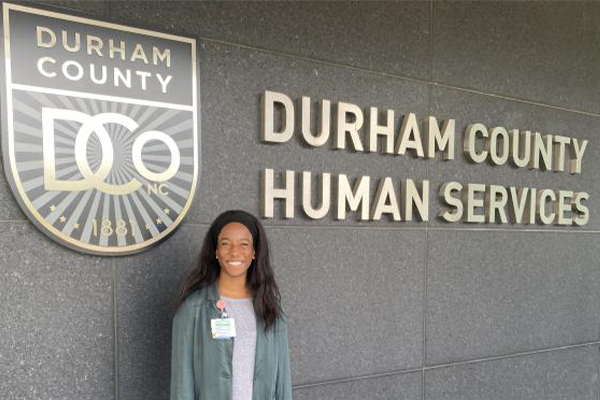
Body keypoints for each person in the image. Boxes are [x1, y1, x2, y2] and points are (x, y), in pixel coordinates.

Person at [170, 210, 292, 400]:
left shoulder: (271, 306)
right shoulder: (193, 309)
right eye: (226, 244)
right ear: (216, 251)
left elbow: (283, 377)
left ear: (254, 252)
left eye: (244, 244)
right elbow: (181, 384)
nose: (235, 251)